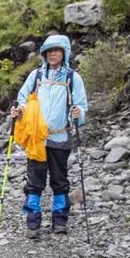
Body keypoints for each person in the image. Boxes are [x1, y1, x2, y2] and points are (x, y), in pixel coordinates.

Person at [10, 34, 88, 239]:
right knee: (34, 182)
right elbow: (23, 100)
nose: (53, 54)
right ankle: (32, 223)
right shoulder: (36, 77)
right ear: (44, 54)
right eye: (49, 51)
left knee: (60, 180)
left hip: (60, 138)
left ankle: (59, 221)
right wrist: (19, 111)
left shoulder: (72, 78)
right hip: (37, 139)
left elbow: (80, 105)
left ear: (64, 53)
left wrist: (78, 113)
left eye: (57, 50)